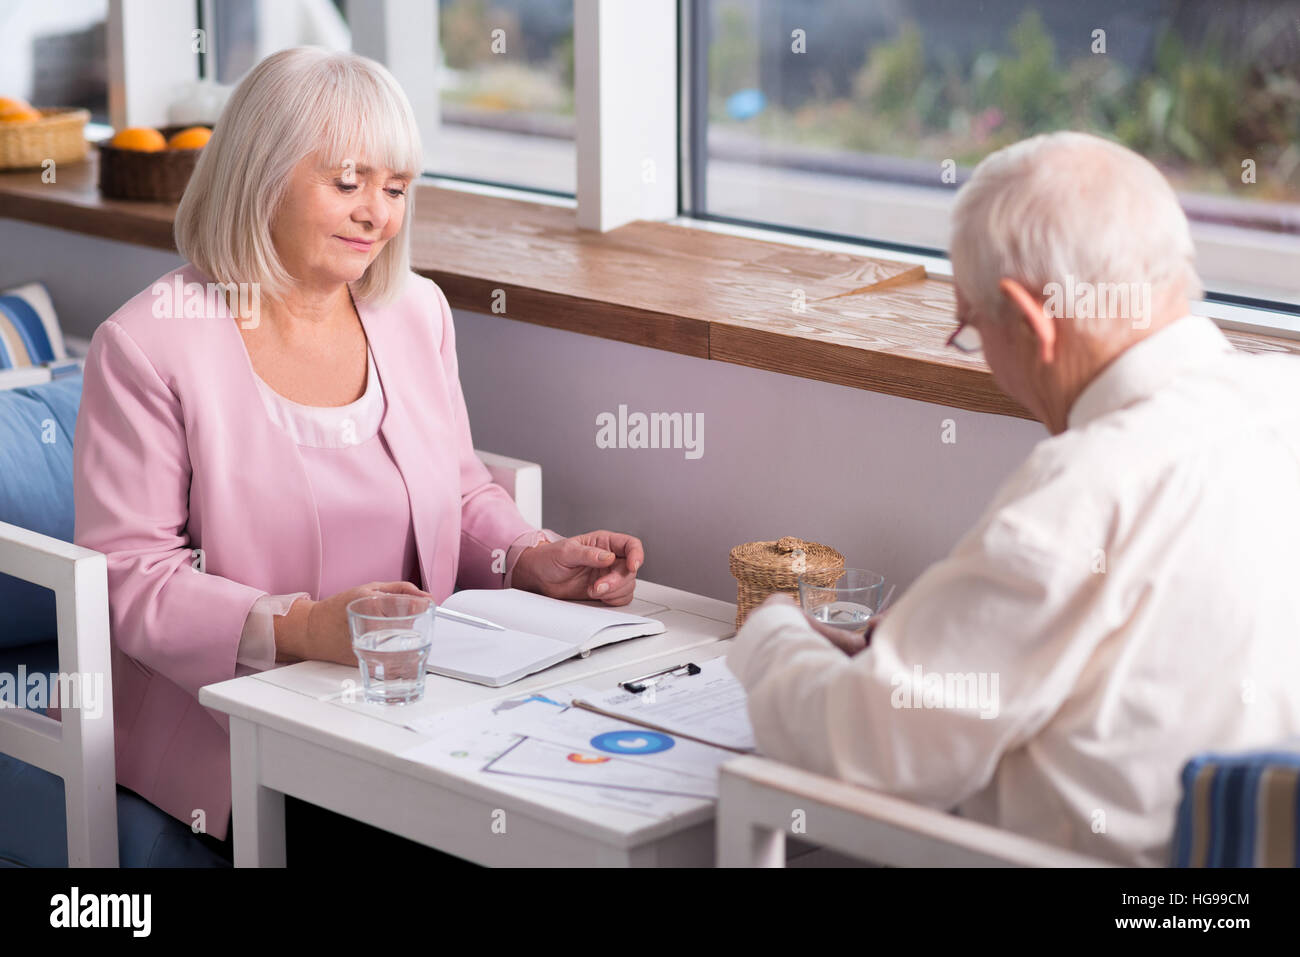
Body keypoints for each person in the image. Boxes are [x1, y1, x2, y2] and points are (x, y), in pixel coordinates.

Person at [72, 47, 644, 860]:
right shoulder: (146, 344)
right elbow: (132, 580)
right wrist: (307, 627)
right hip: (242, 723)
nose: (377, 213)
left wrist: (531, 554)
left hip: (426, 704)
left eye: (396, 188)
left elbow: (458, 485)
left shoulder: (415, 311)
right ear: (258, 173)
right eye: (347, 182)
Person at [727, 130, 1300, 866]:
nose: (978, 351)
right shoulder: (1283, 394)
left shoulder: (1088, 487)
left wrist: (772, 633)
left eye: (970, 327)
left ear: (1033, 324)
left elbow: (859, 746)